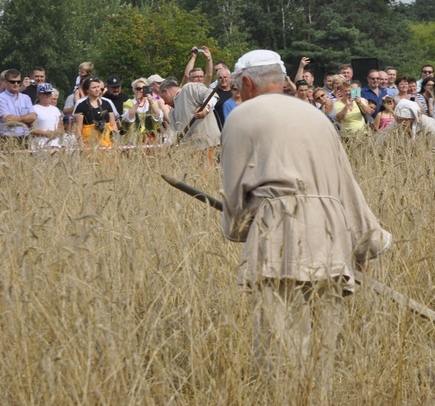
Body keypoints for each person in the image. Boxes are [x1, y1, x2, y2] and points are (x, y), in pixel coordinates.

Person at [221, 49, 391, 401]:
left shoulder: (241, 115)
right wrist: (365, 240)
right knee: (321, 351)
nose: (238, 92)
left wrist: (238, 228)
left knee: (280, 346)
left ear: (248, 83)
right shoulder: (315, 115)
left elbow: (235, 198)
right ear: (282, 80)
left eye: (238, 87)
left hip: (279, 235)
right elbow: (346, 184)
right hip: (332, 237)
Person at [159, 78, 220, 149]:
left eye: (163, 98)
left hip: (210, 145)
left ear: (166, 92)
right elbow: (173, 131)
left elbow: (211, 95)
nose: (165, 102)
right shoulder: (172, 112)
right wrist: (167, 143)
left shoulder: (189, 88)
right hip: (191, 150)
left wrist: (206, 109)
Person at [74, 77, 118, 148]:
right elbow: (78, 128)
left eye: (98, 87)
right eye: (94, 87)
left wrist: (116, 140)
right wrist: (81, 144)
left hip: (107, 142)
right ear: (87, 90)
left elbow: (113, 124)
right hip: (90, 143)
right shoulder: (81, 106)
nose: (97, 89)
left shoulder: (107, 104)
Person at [0, 69, 37, 145]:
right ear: (6, 82)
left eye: (18, 82)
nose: (16, 84)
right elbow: (8, 120)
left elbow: (33, 117)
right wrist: (26, 119)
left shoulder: (26, 98)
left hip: (25, 137)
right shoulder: (0, 98)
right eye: (12, 82)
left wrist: (17, 118)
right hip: (7, 138)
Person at [121, 78, 164, 143]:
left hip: (151, 138)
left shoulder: (152, 102)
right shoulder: (129, 103)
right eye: (138, 89)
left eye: (143, 88)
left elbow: (158, 117)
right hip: (134, 139)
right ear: (134, 90)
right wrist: (137, 103)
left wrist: (151, 103)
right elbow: (128, 118)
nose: (141, 91)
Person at [30, 83, 62, 150]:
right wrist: (45, 133)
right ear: (39, 94)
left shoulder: (55, 109)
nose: (47, 96)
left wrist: (56, 132)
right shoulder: (33, 109)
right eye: (45, 94)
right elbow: (31, 129)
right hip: (40, 145)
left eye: (49, 94)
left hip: (55, 144)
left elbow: (60, 128)